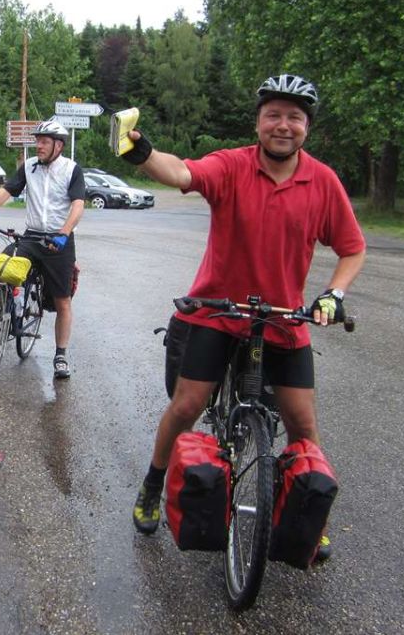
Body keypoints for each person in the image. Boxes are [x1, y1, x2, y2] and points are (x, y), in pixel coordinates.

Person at [126, 74, 366, 563]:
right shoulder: (232, 165)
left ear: (307, 127)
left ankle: (310, 514)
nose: (283, 125)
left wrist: (333, 294)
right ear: (258, 123)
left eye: (294, 117)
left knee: (302, 422)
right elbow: (182, 173)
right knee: (186, 406)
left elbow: (352, 248)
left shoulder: (322, 181)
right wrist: (143, 153)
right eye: (273, 115)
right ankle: (153, 483)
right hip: (217, 312)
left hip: (282, 319)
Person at [0, 119, 86, 379]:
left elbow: (78, 206)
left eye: (44, 142)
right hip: (32, 236)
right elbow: (6, 191)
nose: (39, 146)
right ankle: (1, 311)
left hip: (59, 240)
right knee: (3, 269)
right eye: (37, 141)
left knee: (62, 300)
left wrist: (64, 233)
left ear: (59, 145)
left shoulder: (71, 170)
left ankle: (60, 355)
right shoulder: (29, 167)